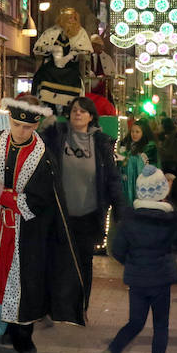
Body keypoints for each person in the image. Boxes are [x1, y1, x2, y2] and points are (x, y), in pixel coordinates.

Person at [0, 97, 85, 353]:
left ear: (36, 124)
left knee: (25, 281)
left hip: (27, 231)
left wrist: (1, 194)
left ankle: (22, 335)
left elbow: (40, 202)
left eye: (27, 127)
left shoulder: (43, 158)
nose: (21, 131)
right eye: (16, 124)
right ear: (9, 118)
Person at [94, 164, 177, 353]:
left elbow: (117, 250)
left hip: (138, 281)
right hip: (161, 279)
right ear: (162, 191)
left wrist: (132, 264)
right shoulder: (170, 219)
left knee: (135, 322)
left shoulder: (129, 220)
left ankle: (112, 352)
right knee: (161, 325)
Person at [41, 96, 125, 310]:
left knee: (84, 262)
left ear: (91, 116)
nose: (78, 113)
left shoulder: (101, 143)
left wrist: (120, 209)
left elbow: (112, 178)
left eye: (83, 111)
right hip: (60, 213)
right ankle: (56, 307)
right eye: (75, 110)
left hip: (88, 214)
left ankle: (80, 307)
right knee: (58, 261)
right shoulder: (57, 136)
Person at [31, 8, 93, 113]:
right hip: (52, 65)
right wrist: (51, 49)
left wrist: (71, 56)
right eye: (69, 18)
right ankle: (48, 105)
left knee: (73, 77)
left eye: (73, 18)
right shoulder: (52, 31)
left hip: (71, 65)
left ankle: (68, 108)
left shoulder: (81, 33)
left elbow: (85, 50)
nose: (71, 20)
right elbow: (39, 48)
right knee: (44, 74)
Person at [118, 123, 157, 204]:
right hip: (127, 182)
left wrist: (125, 158)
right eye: (132, 131)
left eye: (137, 132)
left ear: (143, 133)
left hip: (142, 182)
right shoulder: (127, 145)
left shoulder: (149, 147)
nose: (134, 134)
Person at [87, 34, 116, 99]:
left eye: (95, 45)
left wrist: (106, 76)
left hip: (102, 87)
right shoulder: (86, 56)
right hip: (89, 86)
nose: (93, 47)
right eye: (92, 45)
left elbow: (113, 73)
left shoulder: (107, 58)